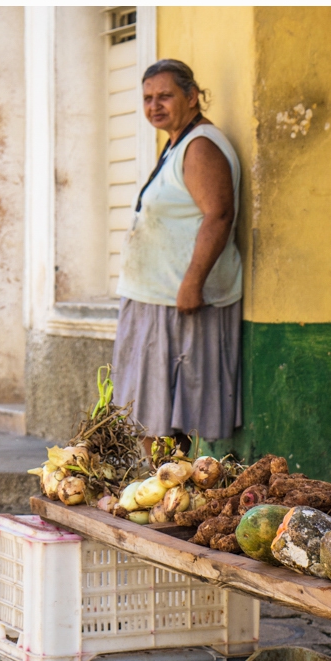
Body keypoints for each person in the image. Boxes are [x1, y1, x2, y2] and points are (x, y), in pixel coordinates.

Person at [111, 59, 243, 446]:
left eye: (165, 96)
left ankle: (166, 493)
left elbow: (218, 215)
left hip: (179, 300)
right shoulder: (177, 144)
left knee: (167, 420)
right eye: (148, 98)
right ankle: (160, 491)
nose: (155, 105)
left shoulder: (200, 146)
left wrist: (191, 284)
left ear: (192, 97)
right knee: (154, 416)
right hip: (157, 298)